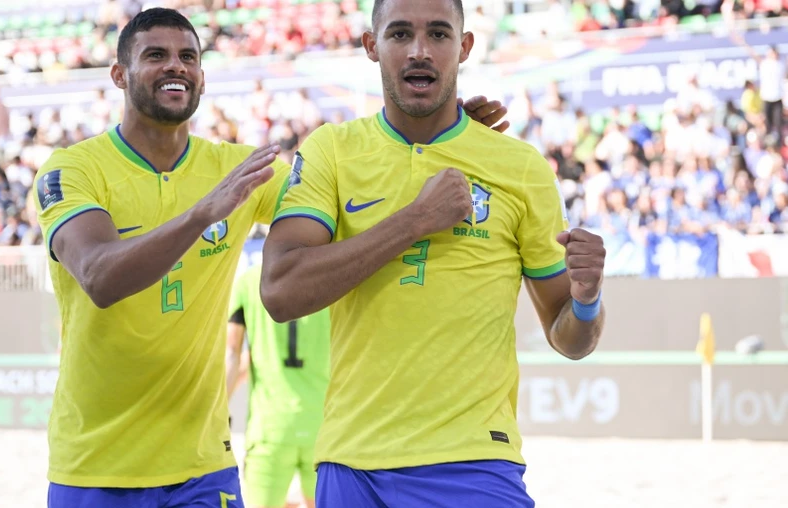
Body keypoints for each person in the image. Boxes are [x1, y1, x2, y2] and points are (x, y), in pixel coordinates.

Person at [33, 7, 512, 508]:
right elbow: (98, 275)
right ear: (119, 75)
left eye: (188, 57)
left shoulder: (234, 167)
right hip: (95, 464)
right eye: (156, 56)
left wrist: (443, 134)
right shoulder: (73, 169)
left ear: (202, 77)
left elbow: (346, 194)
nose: (175, 66)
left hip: (203, 466)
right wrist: (202, 214)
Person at [259, 0, 608, 507]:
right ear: (371, 46)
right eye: (400, 34)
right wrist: (415, 221)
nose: (420, 51)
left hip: (475, 464)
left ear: (464, 47)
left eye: (439, 35)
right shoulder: (331, 150)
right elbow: (280, 292)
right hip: (353, 462)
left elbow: (571, 340)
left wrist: (587, 299)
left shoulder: (520, 167)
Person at [226, 263, 330, 508]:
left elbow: (232, 352)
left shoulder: (249, 280)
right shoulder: (330, 278)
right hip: (322, 425)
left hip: (270, 429)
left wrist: (218, 410)